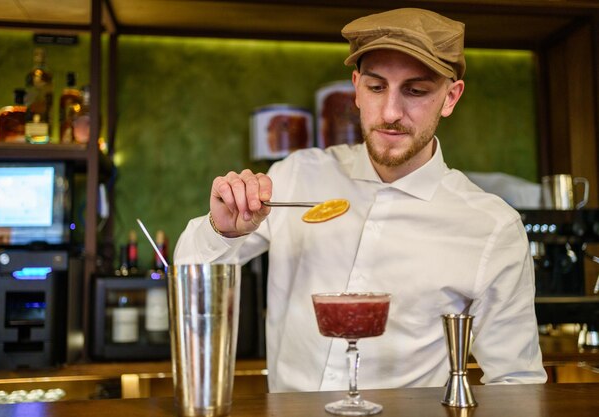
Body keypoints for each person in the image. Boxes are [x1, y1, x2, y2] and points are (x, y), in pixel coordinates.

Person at [174, 8, 548, 392]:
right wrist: (223, 230)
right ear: (355, 88)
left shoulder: (491, 226)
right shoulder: (297, 175)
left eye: (415, 91)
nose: (390, 112)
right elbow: (188, 274)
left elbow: (516, 381)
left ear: (450, 97)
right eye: (375, 87)